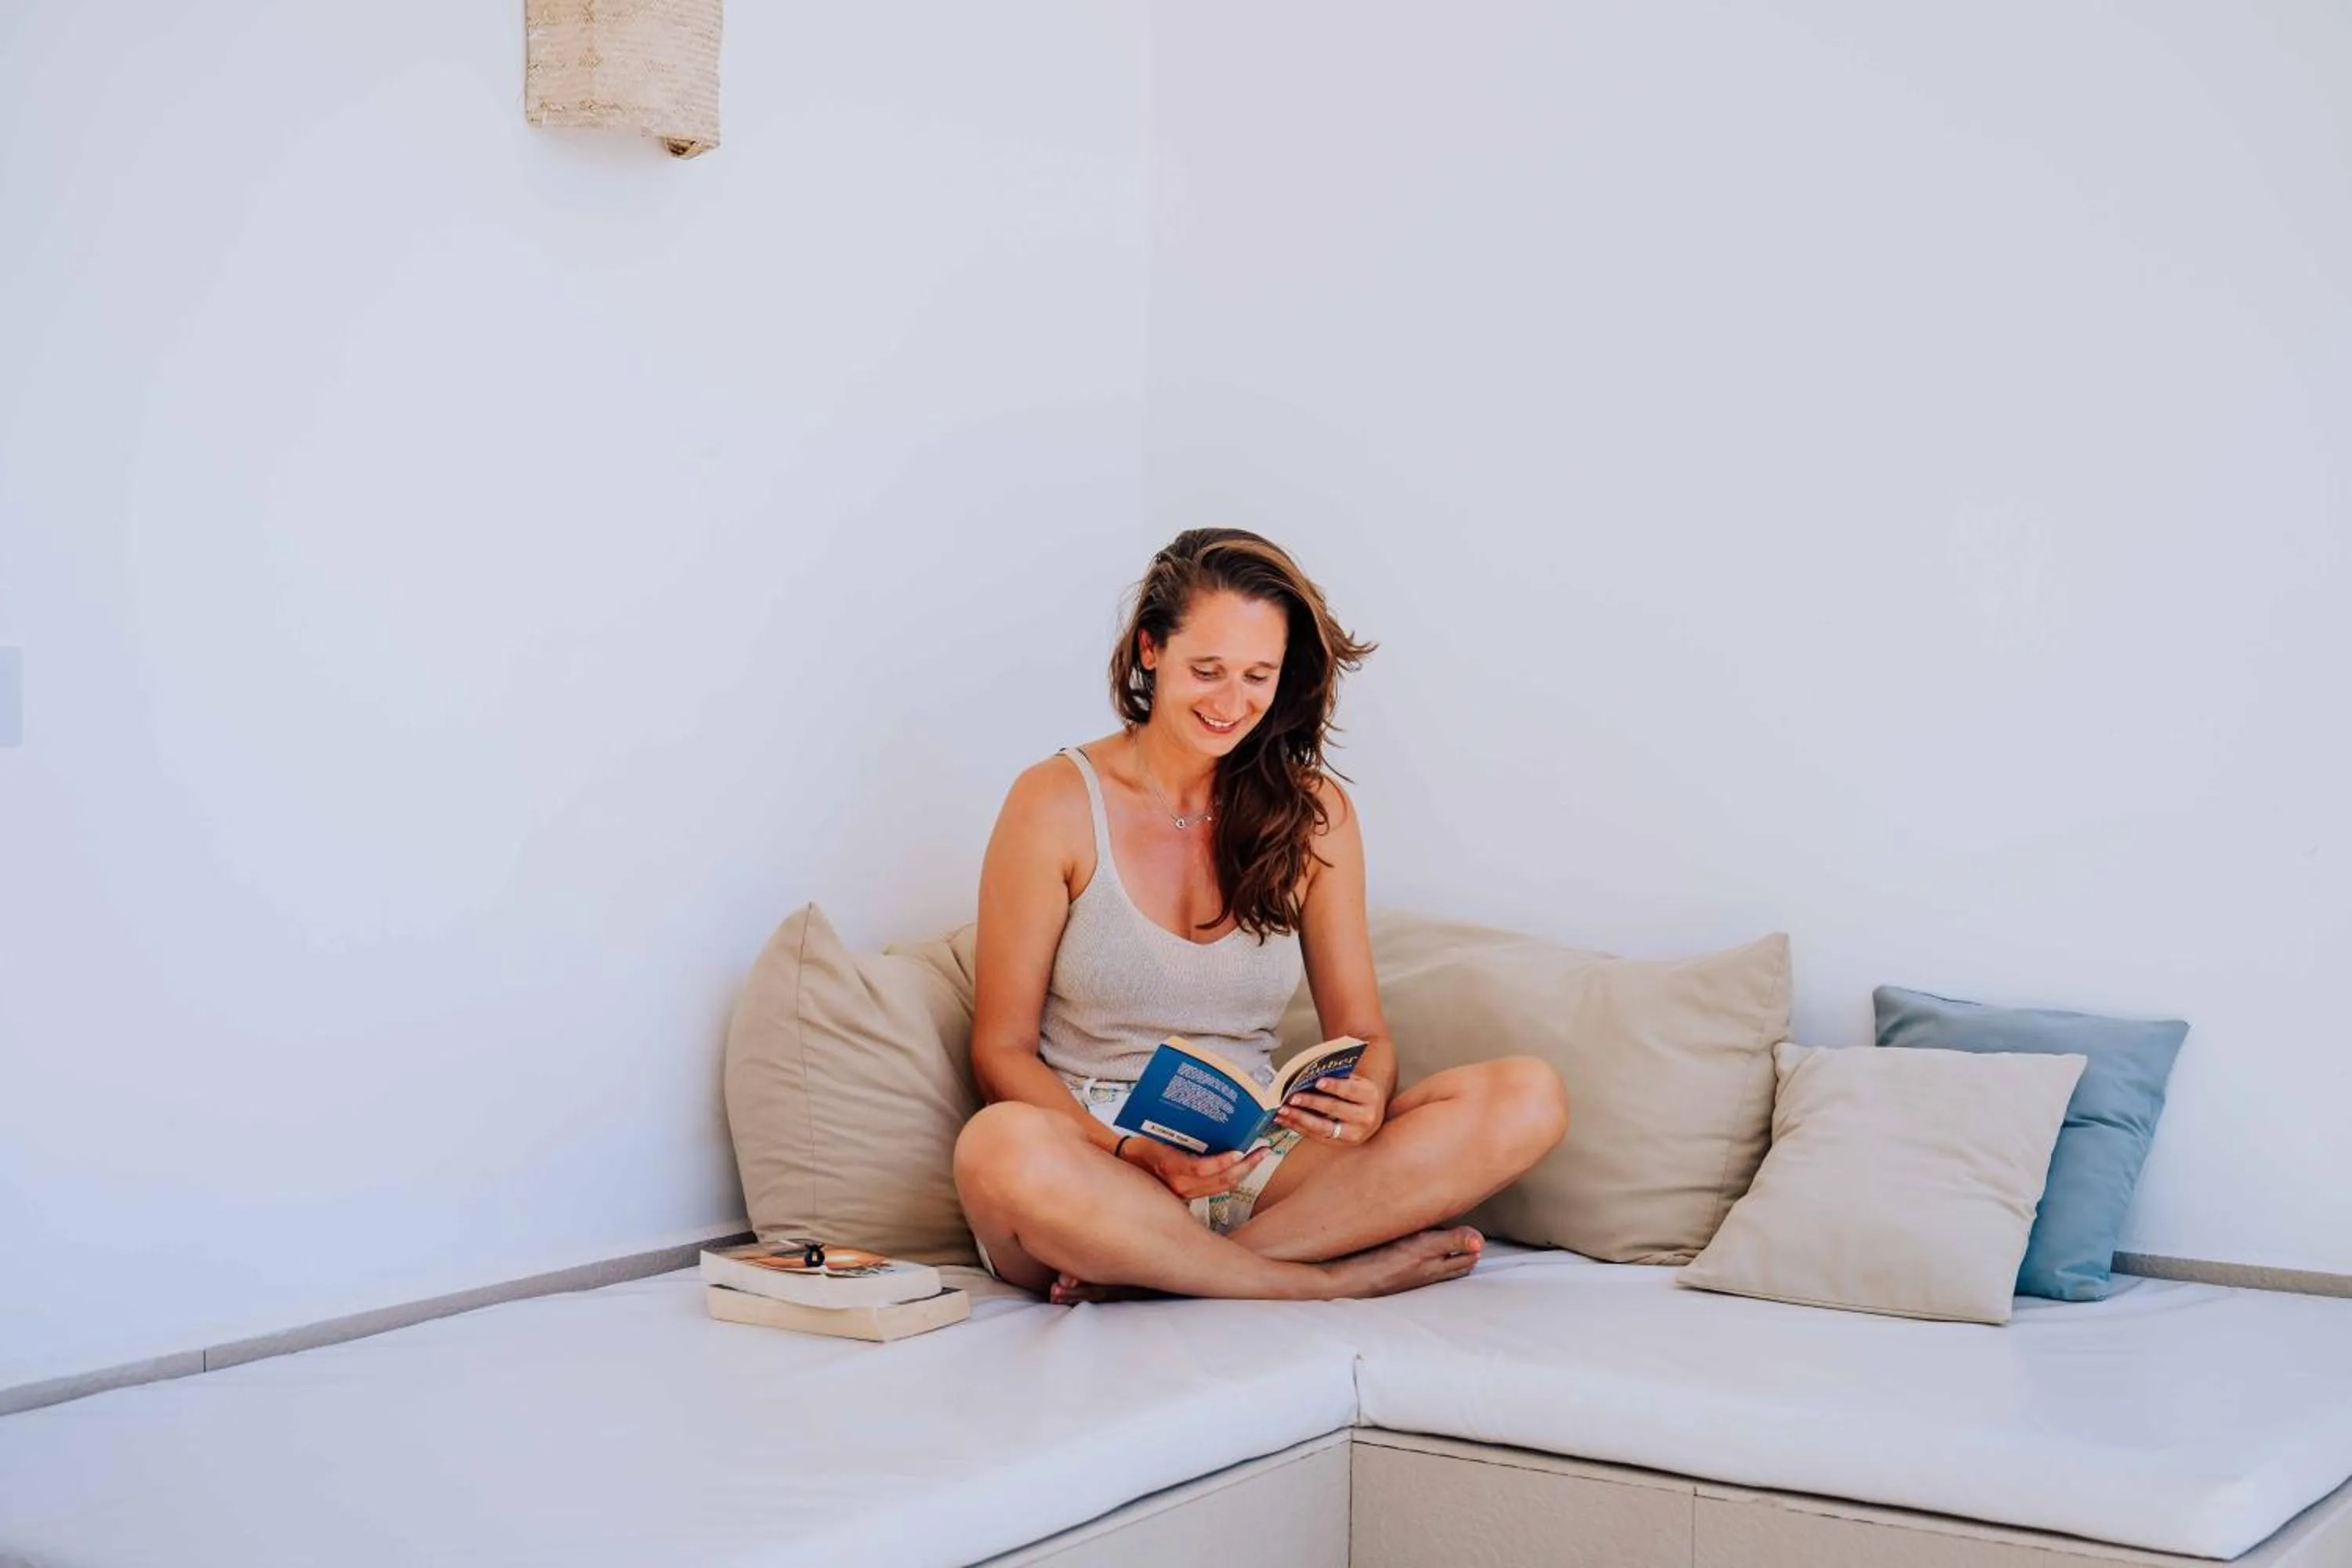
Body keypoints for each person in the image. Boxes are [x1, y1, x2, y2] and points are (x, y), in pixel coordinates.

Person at [953, 529, 1570, 1304]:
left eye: (1257, 675)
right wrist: (1130, 1150)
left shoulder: (1315, 814)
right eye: (1206, 669)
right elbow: (1000, 1053)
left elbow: (1367, 1037)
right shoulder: (1052, 802)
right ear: (1150, 649)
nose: (1230, 702)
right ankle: (1318, 1279)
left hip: (1257, 1160)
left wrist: (1368, 1092)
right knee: (996, 1146)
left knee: (1528, 1095)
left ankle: (1161, 1274)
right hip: (1100, 1165)